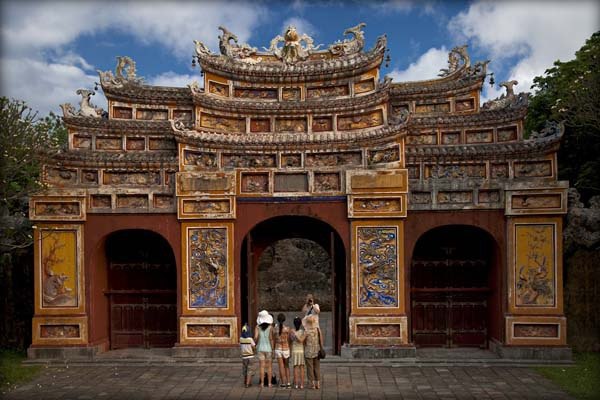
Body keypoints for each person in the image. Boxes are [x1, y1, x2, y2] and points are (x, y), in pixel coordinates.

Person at [254, 310, 275, 388]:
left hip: (260, 348)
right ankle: (269, 383)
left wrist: (254, 343)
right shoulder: (270, 327)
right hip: (268, 348)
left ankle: (262, 383)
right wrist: (273, 349)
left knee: (261, 366)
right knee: (269, 367)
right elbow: (271, 339)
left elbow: (256, 337)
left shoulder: (257, 327)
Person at [303, 314, 323, 389]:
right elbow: (321, 339)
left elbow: (304, 342)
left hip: (308, 351)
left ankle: (312, 384)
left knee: (310, 367)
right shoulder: (317, 329)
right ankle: (318, 383)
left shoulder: (306, 331)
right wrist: (321, 347)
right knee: (317, 367)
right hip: (317, 350)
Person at [274, 313, 291, 388]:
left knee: (281, 366)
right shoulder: (287, 329)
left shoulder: (275, 329)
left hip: (278, 348)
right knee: (286, 366)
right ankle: (288, 382)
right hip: (286, 348)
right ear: (284, 320)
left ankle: (283, 383)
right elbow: (289, 339)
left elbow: (274, 339)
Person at [290, 316, 306, 389]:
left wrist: (294, 333)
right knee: (301, 368)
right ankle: (301, 384)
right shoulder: (302, 331)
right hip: (300, 351)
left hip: (295, 350)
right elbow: (302, 341)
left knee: (296, 368)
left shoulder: (292, 331)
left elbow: (292, 340)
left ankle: (296, 384)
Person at [239, 323, 255, 388]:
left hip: (244, 357)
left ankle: (245, 381)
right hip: (250, 356)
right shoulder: (250, 339)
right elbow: (253, 347)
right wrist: (254, 351)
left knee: (245, 369)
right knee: (250, 370)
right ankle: (248, 383)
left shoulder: (240, 339)